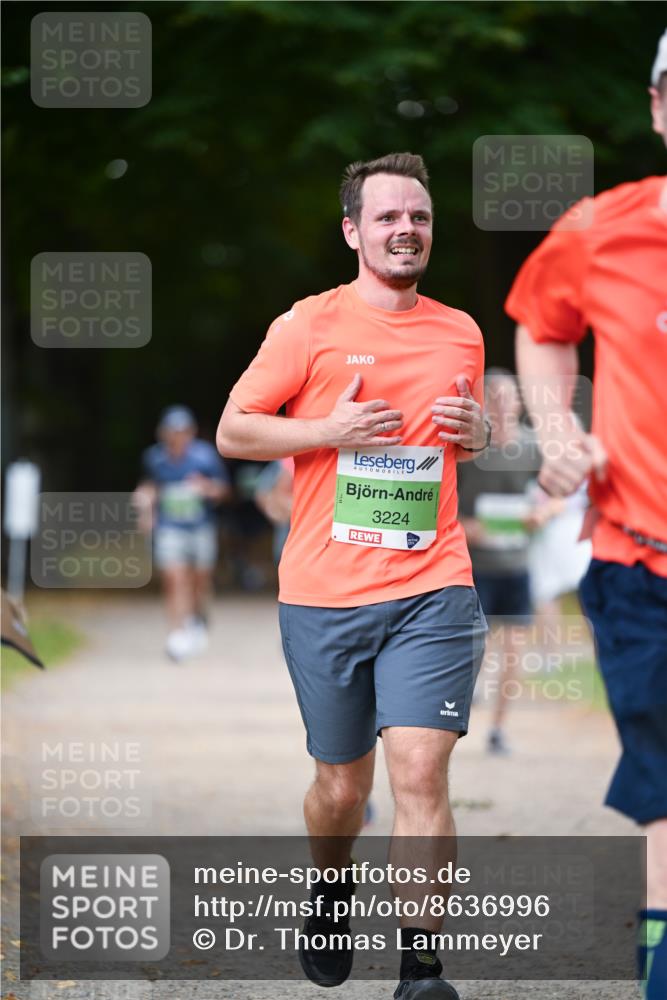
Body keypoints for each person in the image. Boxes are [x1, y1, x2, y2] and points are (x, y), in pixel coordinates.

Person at [217, 152, 489, 1000]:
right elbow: (234, 430)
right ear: (351, 231)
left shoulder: (461, 331)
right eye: (387, 217)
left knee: (420, 772)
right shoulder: (306, 325)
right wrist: (327, 431)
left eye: (419, 217)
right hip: (324, 595)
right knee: (341, 787)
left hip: (432, 584)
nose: (406, 229)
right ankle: (332, 889)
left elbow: (466, 441)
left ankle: (421, 969)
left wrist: (480, 434)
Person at [505, 31, 667, 1000]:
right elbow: (540, 327)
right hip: (638, 559)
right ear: (657, 107)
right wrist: (558, 428)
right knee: (662, 769)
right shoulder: (601, 230)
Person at [457, 369, 558, 754]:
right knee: (472, 652)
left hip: (516, 567)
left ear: (519, 402)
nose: (501, 405)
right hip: (473, 568)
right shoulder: (467, 450)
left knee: (513, 653)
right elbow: (441, 501)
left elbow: (558, 494)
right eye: (494, 398)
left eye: (508, 397)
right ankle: (454, 718)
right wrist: (464, 526)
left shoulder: (533, 446)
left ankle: (498, 729)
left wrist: (543, 513)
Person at [134, 406, 230, 662]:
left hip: (200, 526)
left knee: (200, 580)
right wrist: (145, 506)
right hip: (170, 528)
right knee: (174, 579)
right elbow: (150, 486)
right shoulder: (154, 458)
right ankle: (176, 633)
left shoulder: (205, 456)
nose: (178, 436)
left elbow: (223, 490)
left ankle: (197, 619)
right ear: (163, 433)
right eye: (173, 431)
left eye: (183, 431)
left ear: (191, 432)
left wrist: (206, 488)